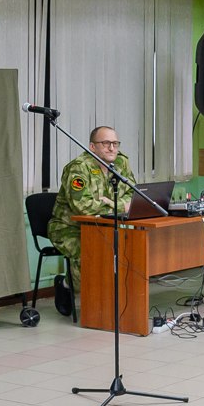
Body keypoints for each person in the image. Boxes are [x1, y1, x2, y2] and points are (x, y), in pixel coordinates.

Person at [47, 126, 133, 314]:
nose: (111, 148)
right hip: (69, 228)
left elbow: (132, 195)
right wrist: (117, 205)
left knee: (130, 250)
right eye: (105, 143)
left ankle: (113, 304)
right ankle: (66, 285)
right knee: (92, 256)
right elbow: (82, 206)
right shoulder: (78, 168)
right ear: (92, 147)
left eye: (115, 143)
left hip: (103, 225)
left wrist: (110, 202)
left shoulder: (121, 163)